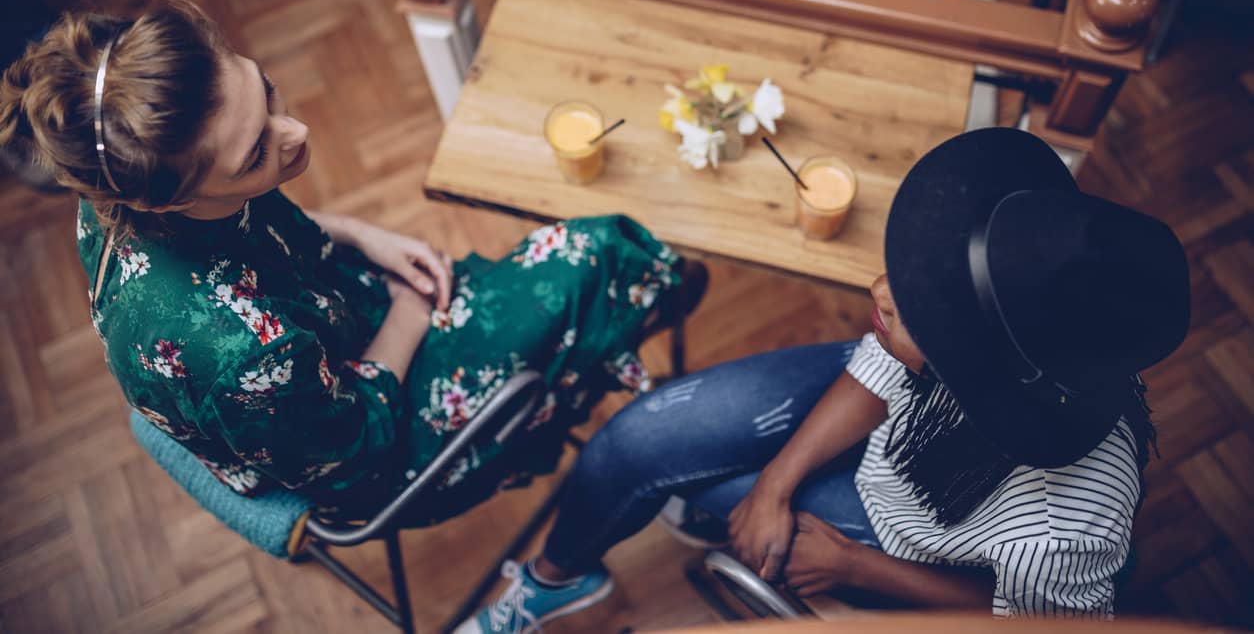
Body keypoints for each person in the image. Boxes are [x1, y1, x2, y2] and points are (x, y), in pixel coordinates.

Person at [458, 127, 1190, 631]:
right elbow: (882, 365)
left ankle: (705, 507)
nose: (877, 288)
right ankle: (556, 580)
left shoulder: (1064, 532)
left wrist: (855, 566)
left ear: (984, 373)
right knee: (632, 443)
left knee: (673, 478)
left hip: (897, 539)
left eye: (921, 312)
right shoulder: (960, 345)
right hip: (891, 439)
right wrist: (774, 484)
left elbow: (1018, 623)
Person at [0, 0, 707, 519]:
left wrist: (356, 236)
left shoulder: (121, 183)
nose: (297, 132)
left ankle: (607, 356)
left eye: (265, 90)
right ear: (166, 202)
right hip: (372, 450)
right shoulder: (237, 351)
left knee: (569, 280)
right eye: (255, 154)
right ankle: (646, 387)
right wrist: (407, 311)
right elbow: (357, 455)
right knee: (597, 254)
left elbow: (247, 229)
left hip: (316, 340)